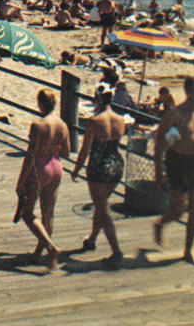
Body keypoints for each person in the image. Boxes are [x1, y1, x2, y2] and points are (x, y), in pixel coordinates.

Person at [71, 83, 125, 266]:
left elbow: (85, 150)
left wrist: (76, 169)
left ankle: (116, 252)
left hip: (98, 168)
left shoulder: (94, 121)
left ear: (97, 99)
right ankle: (92, 239)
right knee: (100, 204)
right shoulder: (120, 119)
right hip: (116, 166)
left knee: (102, 209)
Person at [15, 89, 70, 270]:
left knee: (27, 212)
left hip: (40, 168)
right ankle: (38, 254)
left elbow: (31, 155)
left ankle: (51, 248)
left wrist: (21, 181)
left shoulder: (38, 125)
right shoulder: (63, 124)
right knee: (48, 213)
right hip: (56, 166)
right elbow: (67, 152)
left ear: (40, 103)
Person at [153, 77, 194, 262]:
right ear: (188, 92)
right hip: (177, 162)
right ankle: (160, 224)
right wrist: (158, 172)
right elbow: (159, 142)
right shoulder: (174, 113)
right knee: (178, 210)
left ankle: (187, 251)